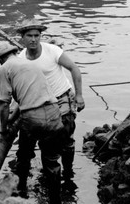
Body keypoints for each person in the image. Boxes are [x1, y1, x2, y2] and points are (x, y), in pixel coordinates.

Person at [0, 41, 66, 204]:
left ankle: (21, 195)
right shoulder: (30, 64)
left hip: (33, 117)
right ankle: (55, 203)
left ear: (0, 59)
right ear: (13, 52)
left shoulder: (5, 68)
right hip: (54, 112)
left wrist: (4, 128)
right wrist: (11, 120)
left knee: (24, 157)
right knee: (51, 161)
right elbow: (24, 98)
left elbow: (5, 102)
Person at [16, 19, 85, 185]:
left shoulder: (52, 50)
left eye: (36, 35)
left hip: (61, 97)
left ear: (41, 36)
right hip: (40, 104)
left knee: (66, 136)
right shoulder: (20, 59)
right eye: (29, 36)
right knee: (41, 140)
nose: (33, 39)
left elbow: (74, 68)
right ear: (22, 38)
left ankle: (68, 173)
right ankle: (45, 174)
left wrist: (79, 95)